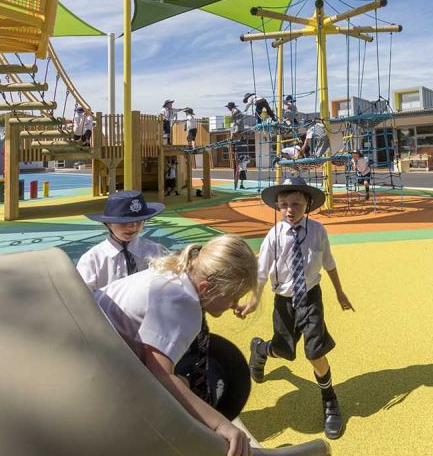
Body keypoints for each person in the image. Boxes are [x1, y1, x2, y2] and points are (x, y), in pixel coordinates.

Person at [96, 235, 258, 456]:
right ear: (205, 288)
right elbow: (161, 377)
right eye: (233, 297)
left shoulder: (176, 271)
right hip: (98, 367)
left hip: (98, 339)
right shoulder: (183, 302)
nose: (234, 305)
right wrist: (220, 425)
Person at [244, 177, 353, 440]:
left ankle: (330, 401)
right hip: (284, 300)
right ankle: (260, 348)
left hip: (311, 297)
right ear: (278, 207)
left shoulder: (317, 231)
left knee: (315, 352)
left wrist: (340, 293)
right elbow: (261, 272)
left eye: (296, 204)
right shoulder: (274, 235)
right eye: (283, 205)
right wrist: (254, 299)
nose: (289, 210)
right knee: (283, 350)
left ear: (308, 204)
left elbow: (329, 263)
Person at [76, 190, 167, 291]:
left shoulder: (154, 250)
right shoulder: (93, 259)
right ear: (108, 223)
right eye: (124, 223)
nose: (133, 227)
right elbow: (82, 297)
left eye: (139, 221)